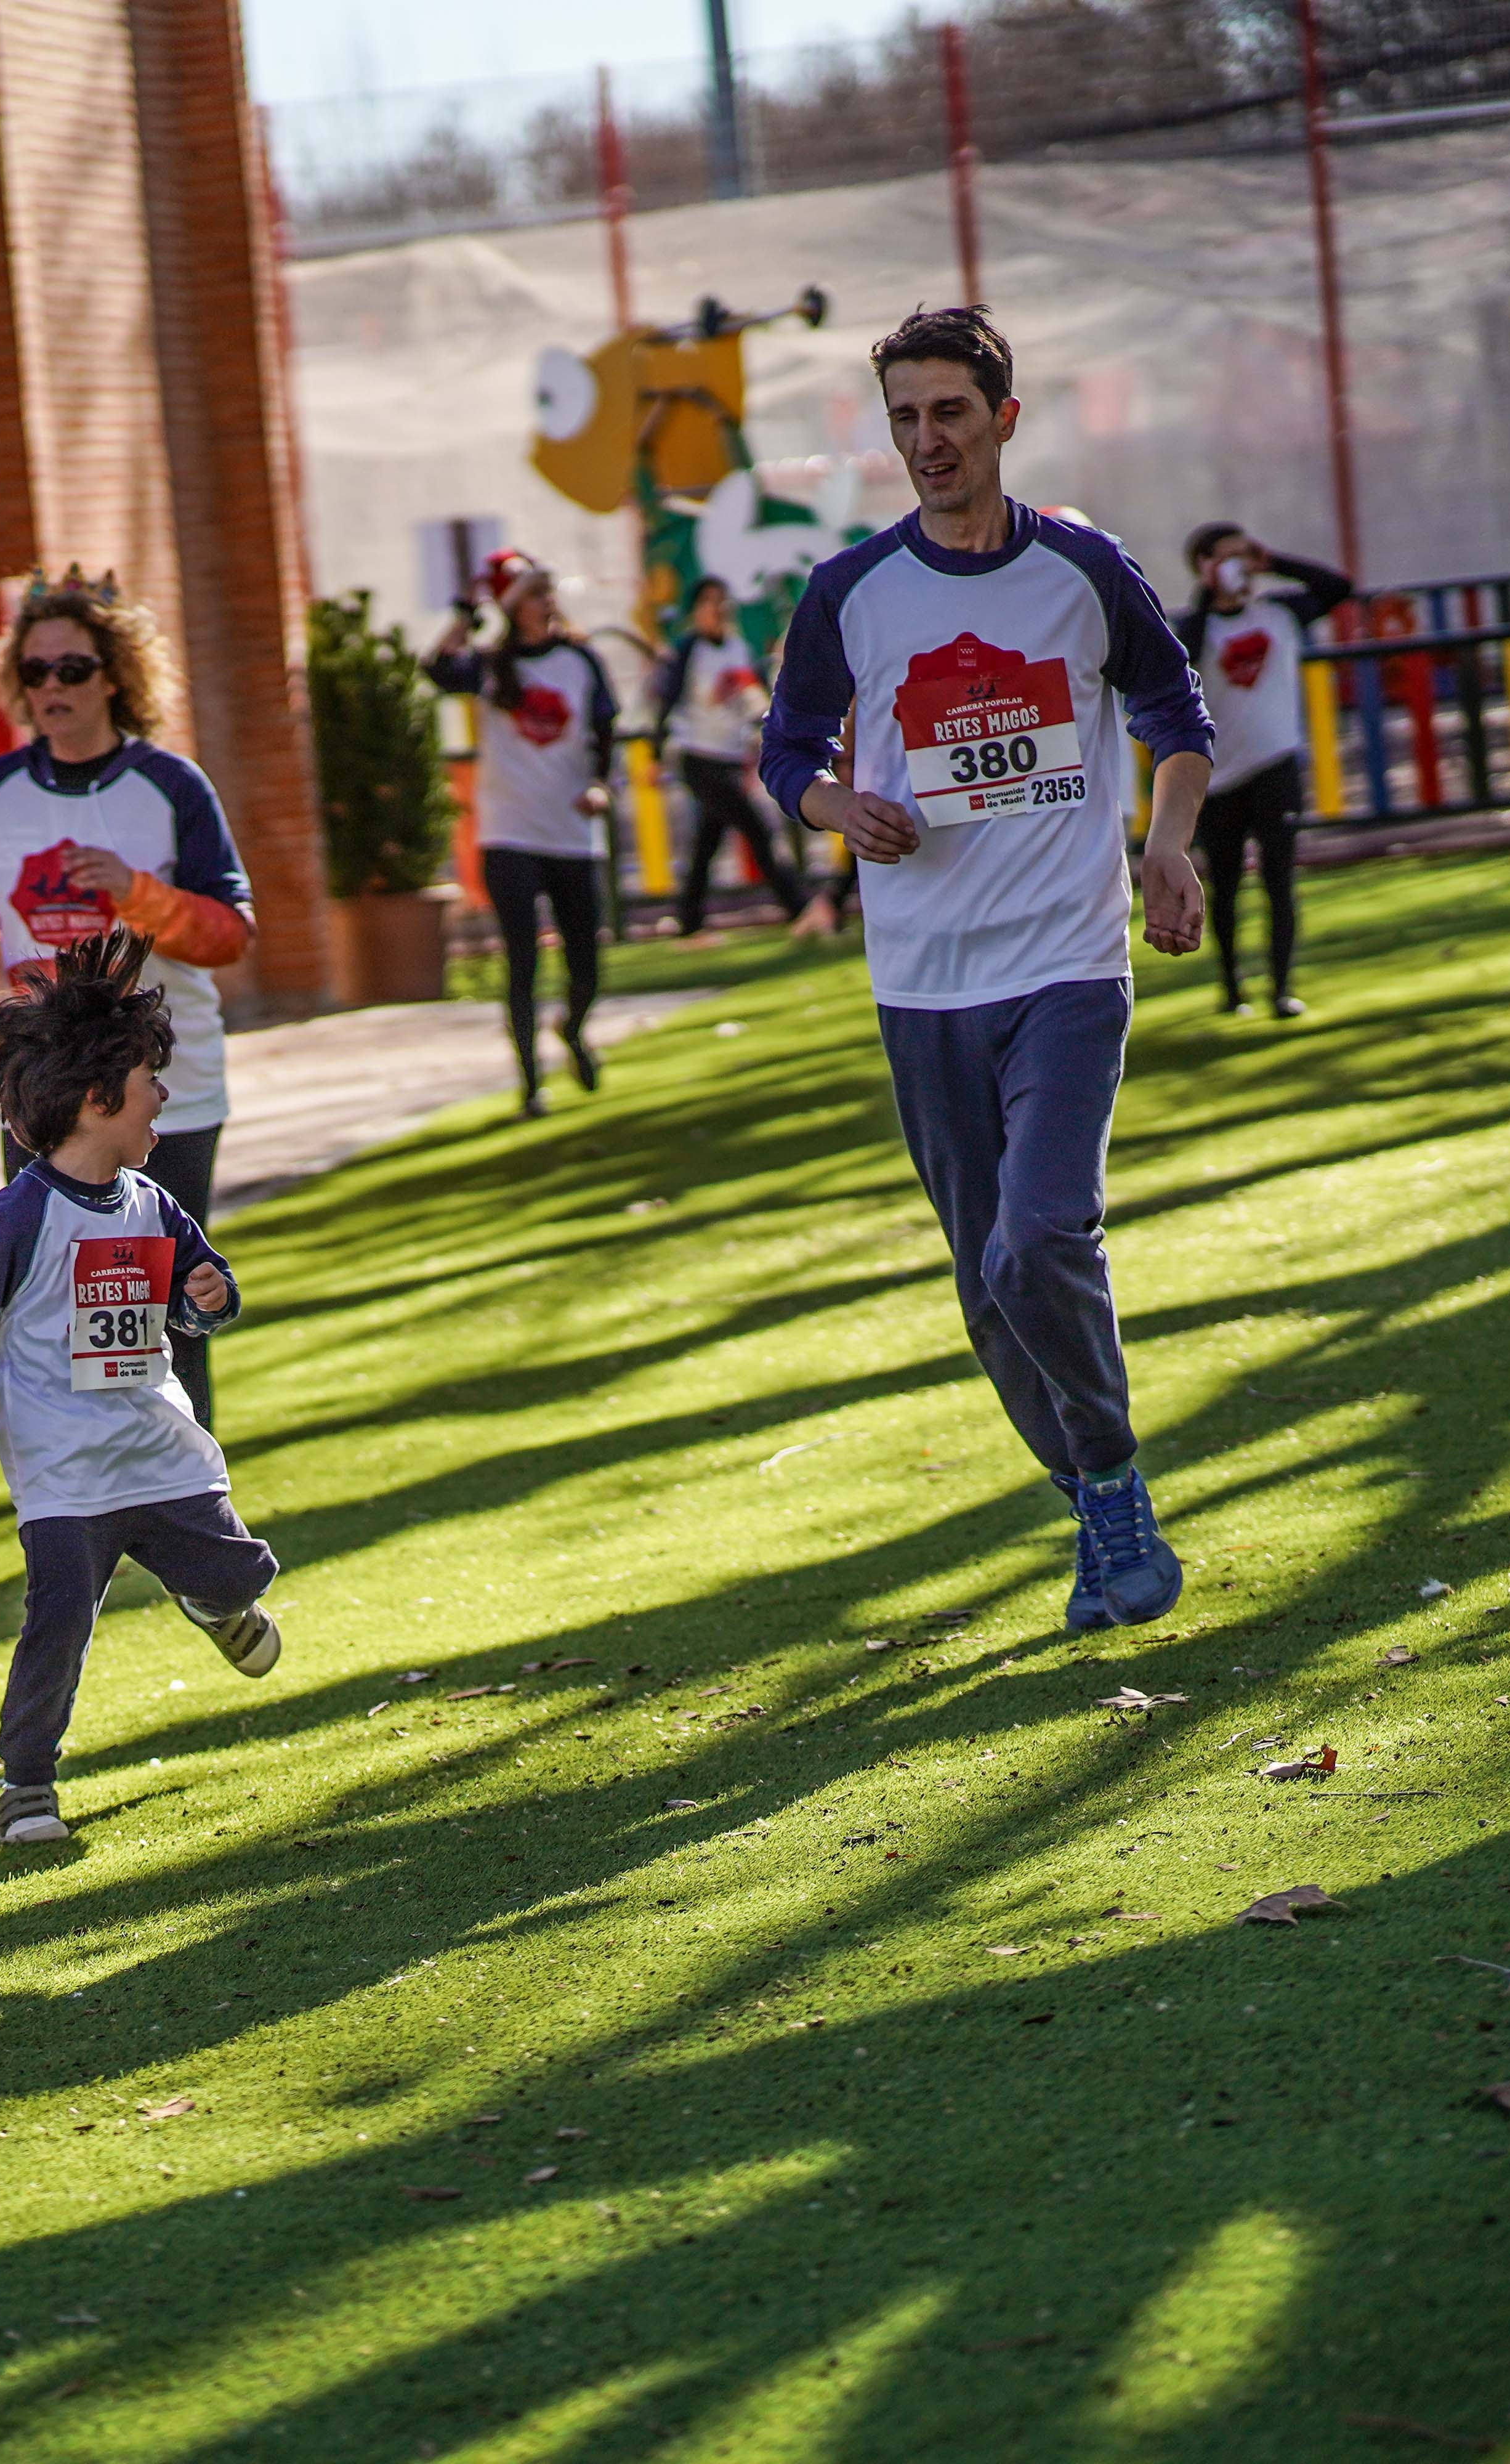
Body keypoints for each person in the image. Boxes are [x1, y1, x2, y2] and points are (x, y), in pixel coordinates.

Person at [757, 307, 1216, 1630]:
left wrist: (1167, 843)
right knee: (985, 1291)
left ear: (1004, 420)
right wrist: (837, 810)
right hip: (922, 987)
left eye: (949, 412)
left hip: (1070, 967)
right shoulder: (851, 592)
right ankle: (1093, 1503)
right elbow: (789, 754)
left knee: (1039, 1239)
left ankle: (1115, 1483)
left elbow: (1173, 711)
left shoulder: (1081, 566)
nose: (926, 440)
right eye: (904, 417)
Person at [0, 931, 281, 1847]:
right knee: (59, 1625)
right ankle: (27, 1788)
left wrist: (210, 1297)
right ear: (97, 1099)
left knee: (242, 1575)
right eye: (152, 1081)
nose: (164, 1098)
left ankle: (210, 1598)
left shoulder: (153, 1202)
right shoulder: (14, 1220)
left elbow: (202, 1294)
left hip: (157, 1448)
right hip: (66, 1474)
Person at [0, 569, 256, 1425]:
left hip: (167, 1092)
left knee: (166, 1305)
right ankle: (89, 1506)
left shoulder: (171, 785)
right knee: (56, 1307)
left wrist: (137, 894)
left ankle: (190, 1498)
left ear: (115, 674)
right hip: (41, 1092)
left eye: (72, 669)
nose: (52, 688)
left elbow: (231, 934)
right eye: (36, 672)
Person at [426, 556, 618, 1116]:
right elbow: (437, 668)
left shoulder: (581, 661)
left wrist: (602, 786)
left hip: (571, 830)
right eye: (534, 594)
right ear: (515, 608)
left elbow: (604, 732)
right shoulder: (492, 667)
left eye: (549, 592)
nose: (546, 603)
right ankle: (530, 1082)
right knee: (523, 960)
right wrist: (467, 612)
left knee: (586, 961)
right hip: (509, 832)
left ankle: (575, 1030)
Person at [1174, 522, 1351, 1019]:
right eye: (1227, 558)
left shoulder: (1279, 615)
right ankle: (1231, 988)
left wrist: (1274, 561)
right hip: (1219, 775)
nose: (1240, 566)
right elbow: (1182, 654)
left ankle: (1281, 989)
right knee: (1224, 886)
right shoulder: (1198, 627)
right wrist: (1206, 593)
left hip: (1275, 766)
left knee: (1279, 880)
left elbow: (1338, 588)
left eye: (1243, 556)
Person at [651, 575, 831, 940]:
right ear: (695, 611)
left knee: (707, 843)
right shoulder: (689, 651)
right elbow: (667, 702)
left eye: (722, 602)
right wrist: (656, 754)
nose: (717, 610)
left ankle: (688, 922)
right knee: (758, 830)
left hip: (731, 757)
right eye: (709, 602)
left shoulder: (736, 648)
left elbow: (757, 698)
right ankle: (799, 908)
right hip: (698, 757)